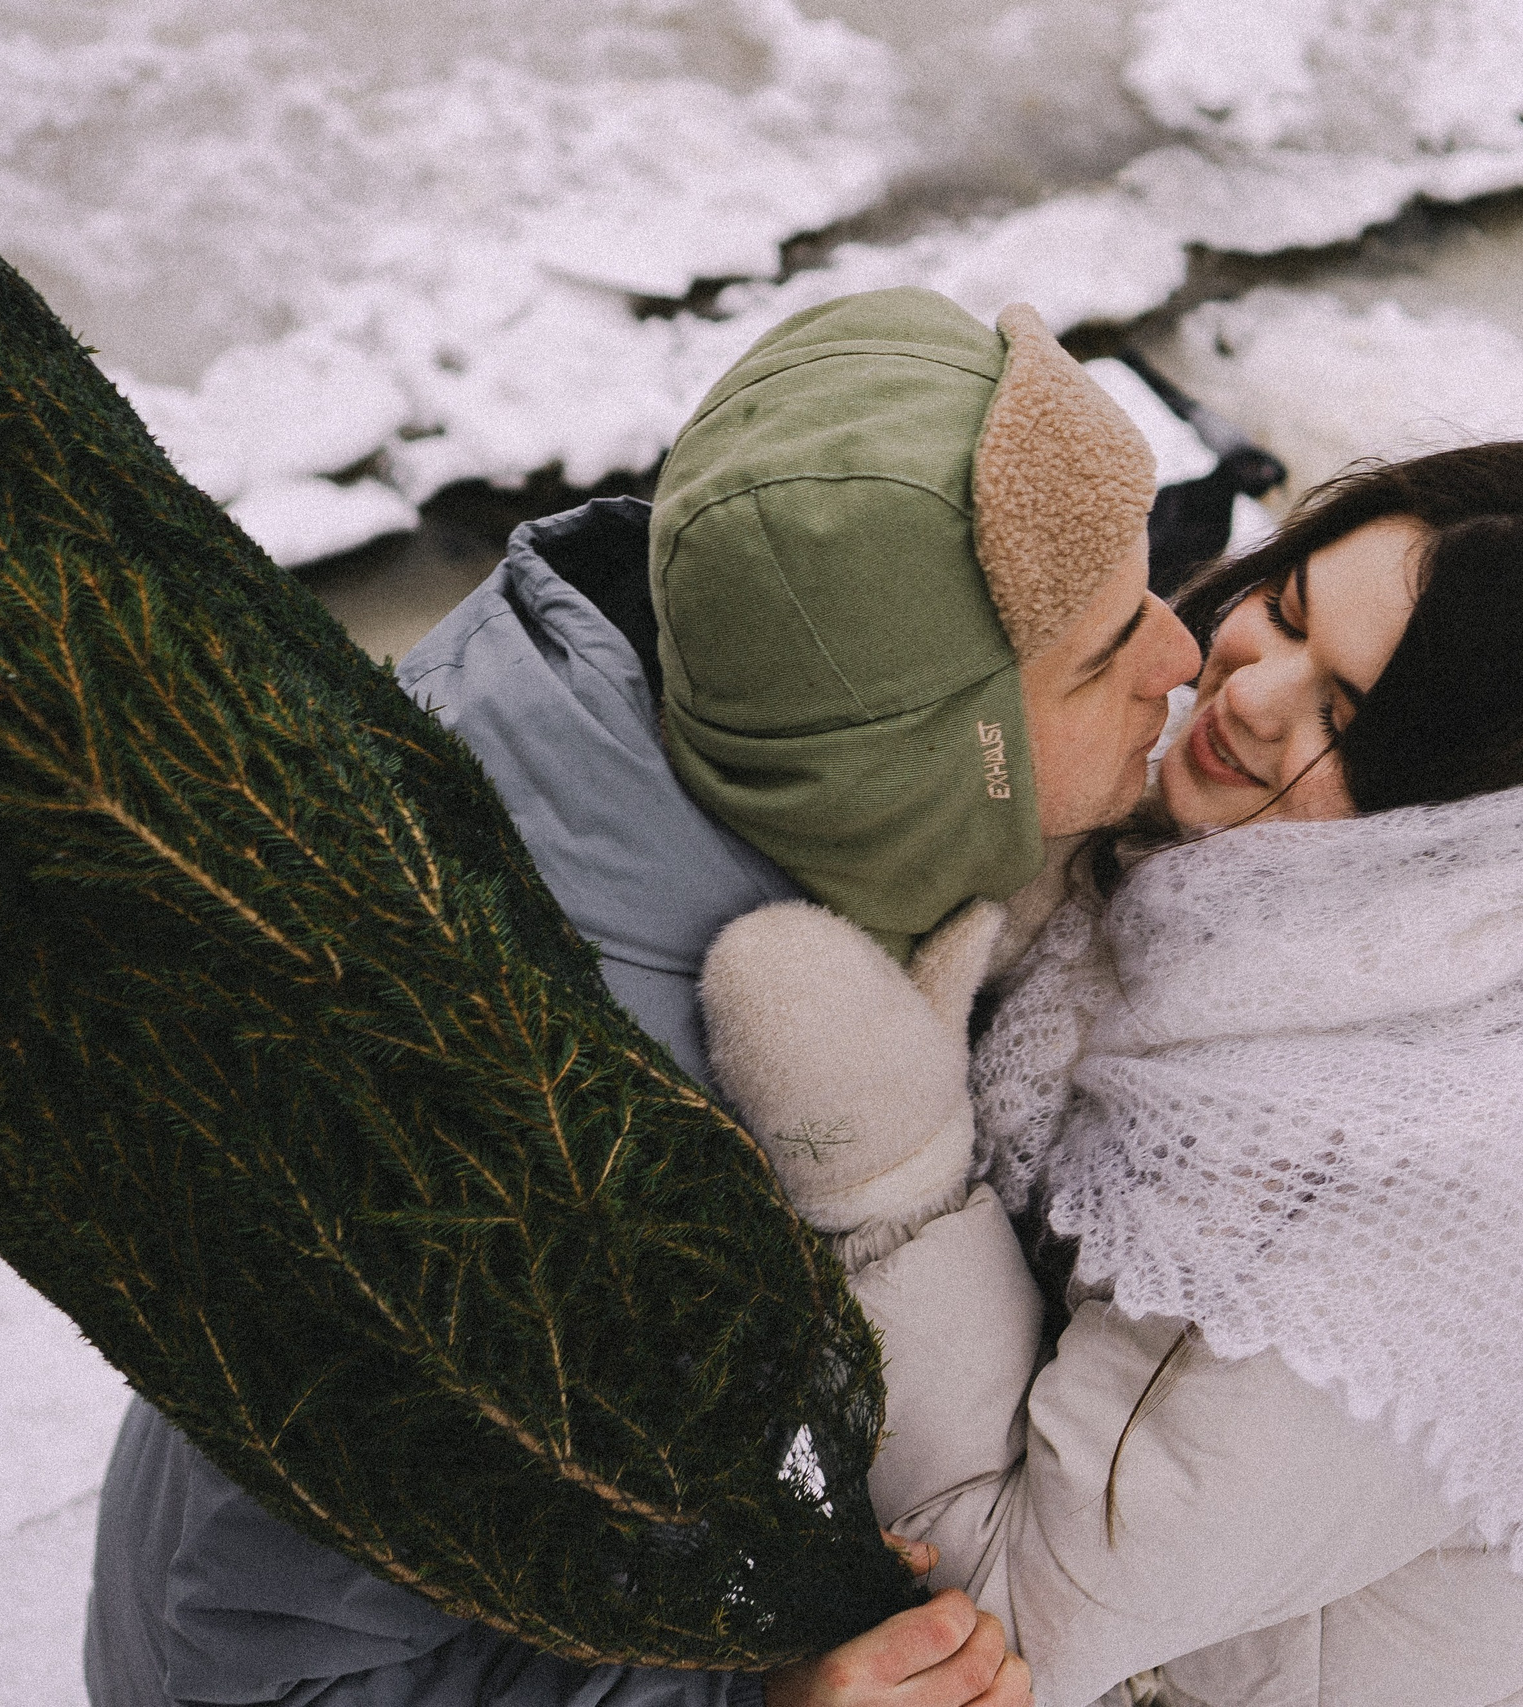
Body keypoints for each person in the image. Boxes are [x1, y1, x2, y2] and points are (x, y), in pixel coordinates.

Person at [84, 286, 1196, 1707]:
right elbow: (264, 1673)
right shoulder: (516, 1130)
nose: (1185, 653)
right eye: (1106, 653)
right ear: (919, 772)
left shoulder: (710, 736)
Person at [696, 437, 1523, 1706]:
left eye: (1344, 717)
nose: (1250, 693)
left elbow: (1011, 1620)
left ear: (1468, 813)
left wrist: (888, 1174)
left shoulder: (1373, 1200)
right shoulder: (1342, 901)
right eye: (1289, 608)